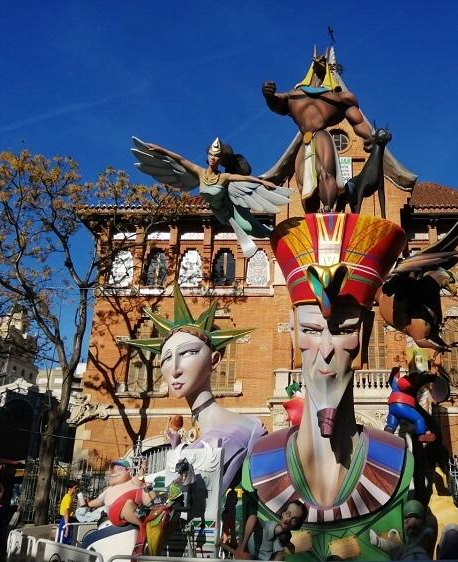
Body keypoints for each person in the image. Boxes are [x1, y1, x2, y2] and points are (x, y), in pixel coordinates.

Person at [243, 212, 409, 561]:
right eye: (311, 330)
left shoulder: (399, 462)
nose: (327, 349)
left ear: (363, 337)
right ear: (293, 331)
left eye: (344, 329)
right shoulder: (257, 464)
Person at [124, 285, 267, 493]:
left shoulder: (224, 438)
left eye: (188, 353)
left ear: (214, 360)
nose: (174, 369)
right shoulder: (227, 429)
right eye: (165, 358)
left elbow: (192, 502)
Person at [132, 137, 291, 258]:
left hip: (230, 209)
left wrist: (262, 182)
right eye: (211, 155)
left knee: (251, 227)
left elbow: (245, 179)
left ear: (220, 159)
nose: (213, 158)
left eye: (217, 156)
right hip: (219, 213)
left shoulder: (224, 177)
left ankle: (282, 238)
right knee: (248, 228)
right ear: (208, 156)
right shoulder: (199, 173)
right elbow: (180, 160)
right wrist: (162, 150)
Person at [262, 47, 374, 212]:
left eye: (323, 61)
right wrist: (268, 95)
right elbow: (277, 104)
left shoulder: (336, 98)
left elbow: (357, 120)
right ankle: (311, 218)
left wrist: (369, 138)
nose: (319, 63)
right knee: (303, 182)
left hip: (321, 135)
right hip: (305, 139)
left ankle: (328, 208)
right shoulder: (294, 96)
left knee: (325, 171)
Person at [226, 500, 308, 561]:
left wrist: (289, 545)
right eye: (288, 514)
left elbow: (283, 543)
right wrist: (242, 547)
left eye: (294, 520)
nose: (289, 519)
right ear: (283, 514)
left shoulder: (286, 536)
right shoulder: (270, 526)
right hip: (250, 554)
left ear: (297, 525)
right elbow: (253, 518)